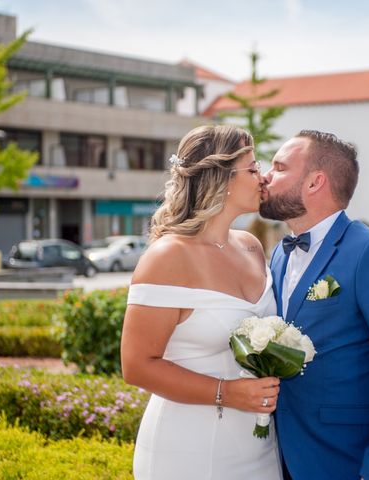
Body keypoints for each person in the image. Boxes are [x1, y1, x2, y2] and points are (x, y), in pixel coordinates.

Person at [260, 130, 369, 480]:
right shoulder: (279, 253)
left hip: (349, 460)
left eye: (279, 167)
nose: (265, 176)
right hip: (282, 459)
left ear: (315, 182)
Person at [121, 125, 282, 480]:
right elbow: (135, 365)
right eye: (253, 168)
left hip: (260, 445)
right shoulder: (167, 256)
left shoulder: (252, 247)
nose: (263, 176)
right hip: (186, 449)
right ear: (222, 178)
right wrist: (227, 393)